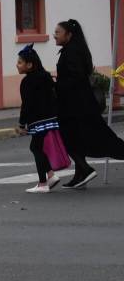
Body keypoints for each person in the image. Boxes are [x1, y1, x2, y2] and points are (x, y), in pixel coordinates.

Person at [53, 19, 124, 187]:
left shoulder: (72, 52)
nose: (54, 35)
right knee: (78, 138)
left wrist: (55, 84)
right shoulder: (73, 50)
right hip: (78, 105)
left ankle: (85, 169)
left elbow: (75, 79)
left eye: (58, 32)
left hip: (77, 107)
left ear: (69, 35)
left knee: (80, 138)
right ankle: (80, 173)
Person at [16, 44, 60, 193]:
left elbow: (26, 105)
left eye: (20, 62)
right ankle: (50, 175)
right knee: (38, 147)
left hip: (38, 120)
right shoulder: (46, 76)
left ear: (30, 65)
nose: (17, 65)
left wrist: (22, 124)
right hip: (51, 118)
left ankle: (43, 183)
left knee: (36, 147)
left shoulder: (27, 82)